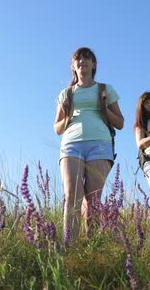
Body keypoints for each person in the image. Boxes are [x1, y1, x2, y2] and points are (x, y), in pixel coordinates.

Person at [54, 47, 124, 240]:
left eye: (87, 58)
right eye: (78, 59)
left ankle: (91, 245)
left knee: (93, 200)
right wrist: (67, 114)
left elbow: (120, 123)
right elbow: (57, 128)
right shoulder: (66, 94)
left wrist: (104, 108)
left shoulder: (105, 90)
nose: (82, 61)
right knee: (72, 197)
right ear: (73, 66)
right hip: (71, 145)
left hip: (100, 145)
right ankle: (70, 246)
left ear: (94, 65)